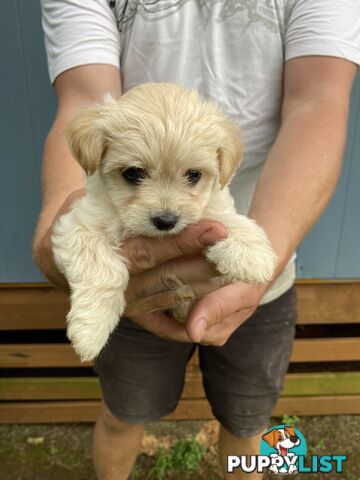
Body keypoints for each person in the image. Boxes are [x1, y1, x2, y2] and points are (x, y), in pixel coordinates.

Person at [33, 1, 360, 479]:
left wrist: (256, 262)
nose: (166, 209)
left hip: (265, 294)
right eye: (134, 174)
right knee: (123, 415)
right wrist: (91, 283)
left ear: (219, 166)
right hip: (132, 294)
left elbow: (321, 99)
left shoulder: (220, 182)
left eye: (193, 176)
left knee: (248, 423)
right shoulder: (97, 149)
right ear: (97, 155)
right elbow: (82, 100)